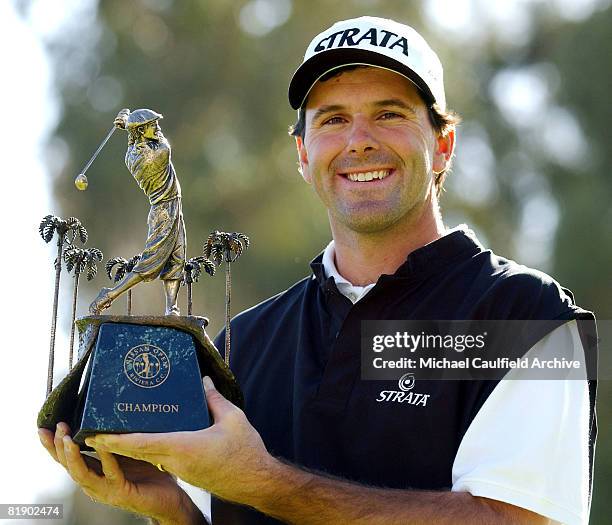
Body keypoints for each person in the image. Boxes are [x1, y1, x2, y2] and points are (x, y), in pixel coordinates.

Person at [39, 16, 597, 525]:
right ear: (303, 155)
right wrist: (175, 509)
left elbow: (516, 521)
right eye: (333, 119)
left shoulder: (530, 316)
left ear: (443, 145)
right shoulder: (244, 341)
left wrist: (263, 483)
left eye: (389, 113)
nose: (360, 140)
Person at [89, 108, 186, 316]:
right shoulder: (157, 152)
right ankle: (109, 295)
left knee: (177, 258)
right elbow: (164, 144)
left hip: (172, 207)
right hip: (164, 210)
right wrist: (127, 124)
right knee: (150, 263)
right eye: (152, 125)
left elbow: (135, 142)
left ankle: (171, 308)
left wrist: (127, 124)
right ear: (141, 130)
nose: (158, 128)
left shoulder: (131, 152)